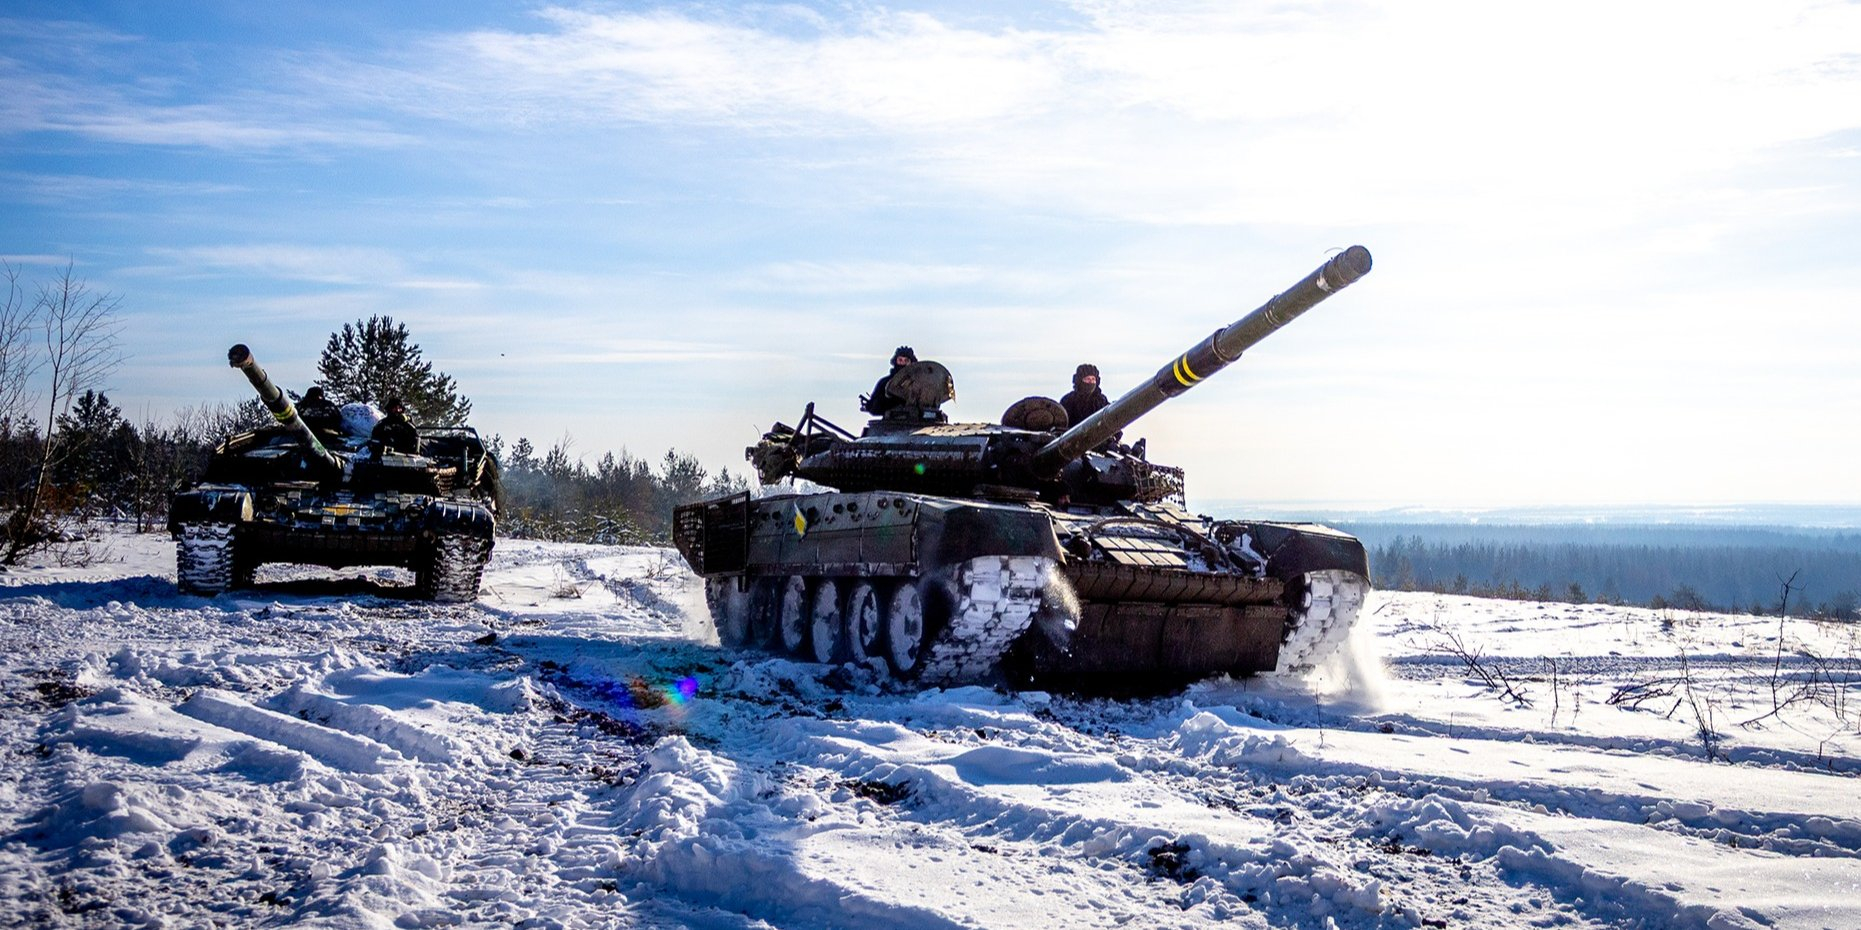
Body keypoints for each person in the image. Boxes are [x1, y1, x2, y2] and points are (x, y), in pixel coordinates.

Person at [1060, 363, 1121, 447]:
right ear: (1079, 380)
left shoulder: (1101, 401)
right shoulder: (1068, 401)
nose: (1091, 382)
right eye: (1087, 379)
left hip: (1099, 444)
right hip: (1074, 445)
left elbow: (1112, 422)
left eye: (1093, 379)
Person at [861, 346, 917, 415]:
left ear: (911, 363)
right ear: (895, 361)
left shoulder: (920, 383)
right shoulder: (884, 383)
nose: (903, 363)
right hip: (890, 423)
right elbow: (874, 408)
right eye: (900, 360)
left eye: (906, 360)